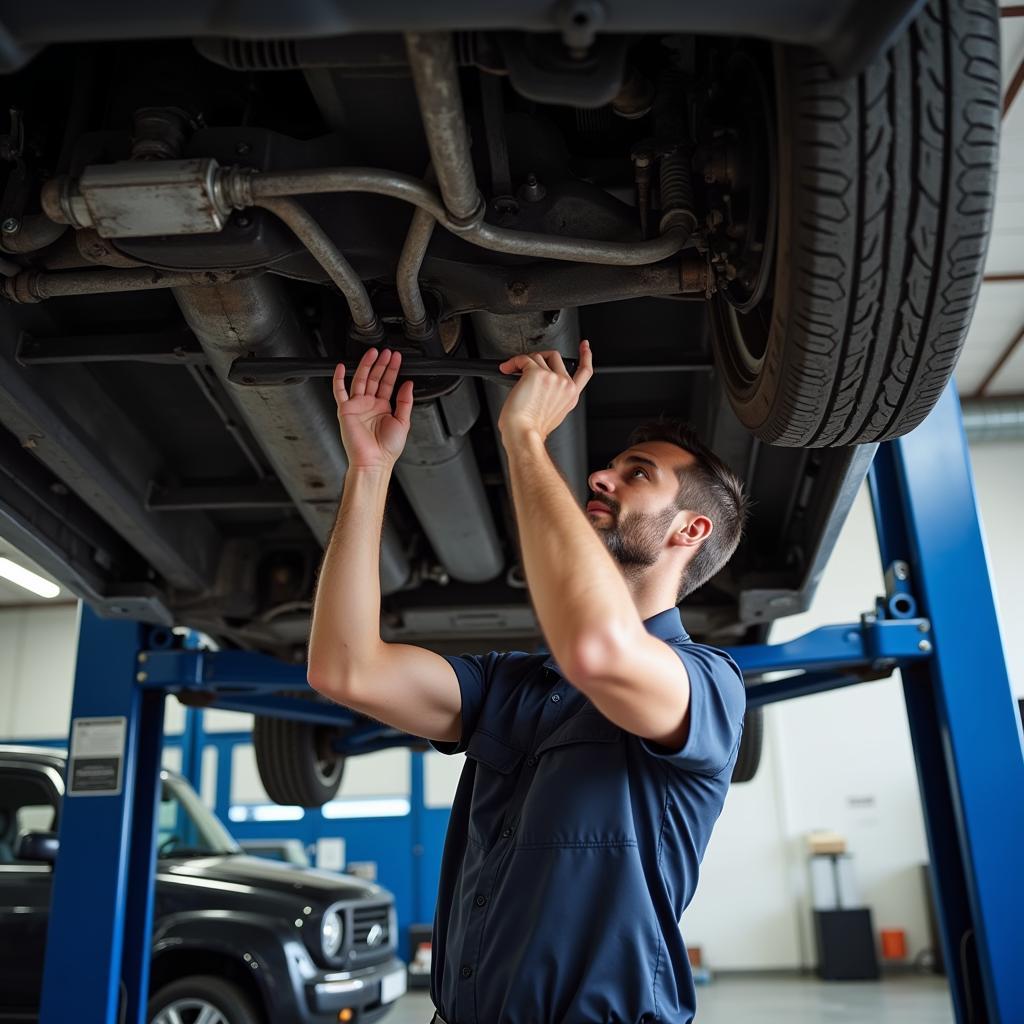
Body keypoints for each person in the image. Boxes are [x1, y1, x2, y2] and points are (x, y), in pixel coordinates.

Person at [307, 340, 750, 1024]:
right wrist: (368, 469)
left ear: (690, 529)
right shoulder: (511, 687)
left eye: (637, 475)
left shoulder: (707, 685)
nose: (601, 477)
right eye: (612, 467)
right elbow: (346, 668)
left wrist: (523, 437)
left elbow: (599, 651)